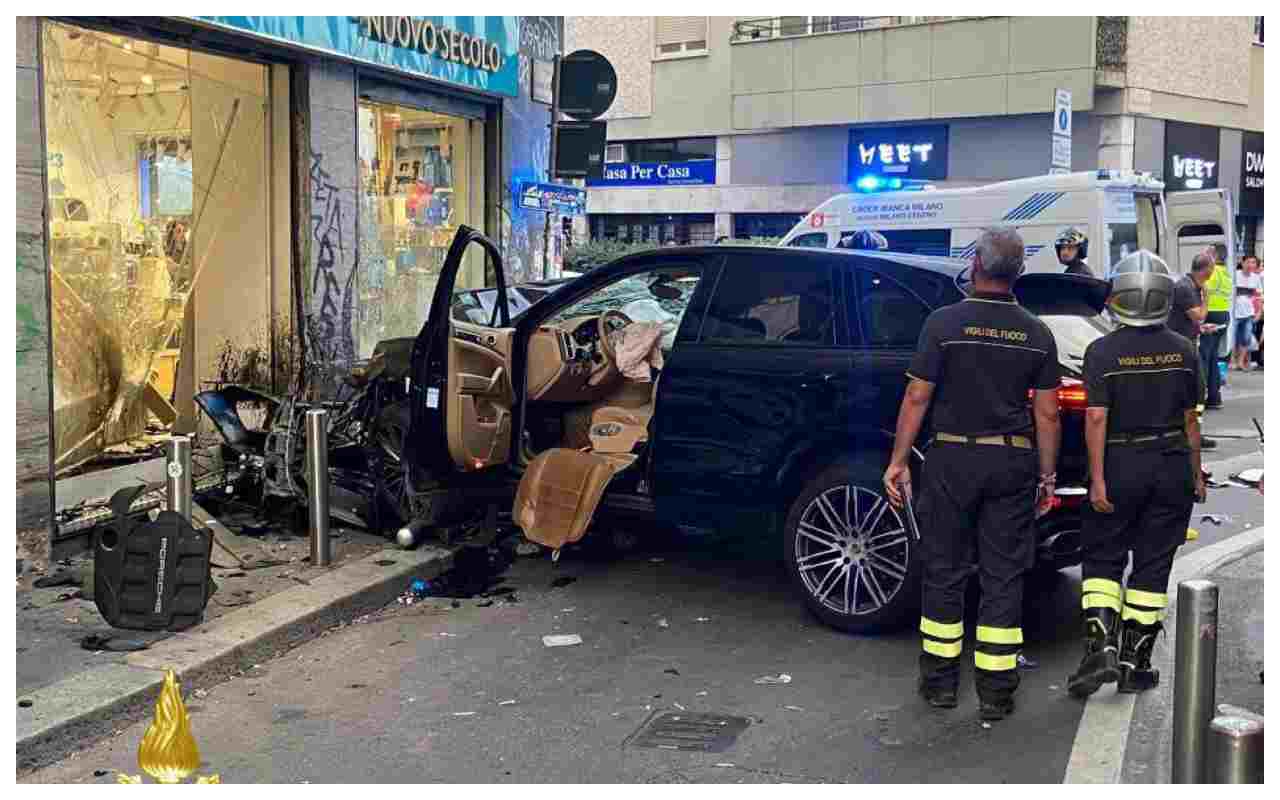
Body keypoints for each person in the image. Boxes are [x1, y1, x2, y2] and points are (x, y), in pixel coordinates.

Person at [883, 226, 1061, 721]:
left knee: (944, 569)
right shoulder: (1036, 332)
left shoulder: (943, 323)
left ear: (976, 266)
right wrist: (1047, 478)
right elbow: (1047, 414)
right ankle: (997, 691)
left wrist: (899, 461)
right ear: (1019, 272)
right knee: (1004, 575)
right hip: (1012, 462)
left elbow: (917, 396)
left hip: (950, 461)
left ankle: (940, 684)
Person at [1067, 250, 1205, 698]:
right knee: (1152, 566)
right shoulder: (1185, 350)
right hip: (1170, 467)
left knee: (1103, 560)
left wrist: (1098, 478)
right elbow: (1191, 421)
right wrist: (1197, 473)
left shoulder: (1101, 351)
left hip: (1120, 465)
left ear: (1117, 296)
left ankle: (1099, 649)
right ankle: (1134, 662)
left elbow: (1095, 420)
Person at [1168, 253, 1218, 450]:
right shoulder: (1186, 288)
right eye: (1212, 267)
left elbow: (1189, 320)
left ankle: (1194, 430)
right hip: (1180, 348)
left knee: (1197, 391)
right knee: (1196, 389)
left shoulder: (1192, 286)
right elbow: (1198, 315)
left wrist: (1201, 329)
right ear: (1207, 270)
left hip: (1188, 343)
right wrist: (1207, 299)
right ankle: (1189, 432)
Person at [1200, 254, 1233, 408]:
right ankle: (1214, 397)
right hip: (1224, 314)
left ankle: (1200, 396)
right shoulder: (1226, 272)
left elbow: (1203, 286)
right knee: (1212, 357)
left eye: (1208, 252)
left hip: (1211, 314)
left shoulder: (1214, 271)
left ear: (1214, 256)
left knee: (1204, 357)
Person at [1234, 255, 1262, 371]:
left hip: (1249, 313)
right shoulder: (1235, 274)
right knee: (1233, 338)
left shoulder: (1256, 278)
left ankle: (1240, 362)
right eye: (1249, 262)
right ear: (1243, 262)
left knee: (1246, 338)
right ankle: (1232, 361)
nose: (1251, 265)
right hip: (1234, 313)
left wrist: (1259, 312)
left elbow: (1259, 296)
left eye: (1254, 263)